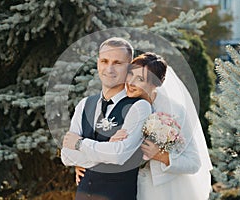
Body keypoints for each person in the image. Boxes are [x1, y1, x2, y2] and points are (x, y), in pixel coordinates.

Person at [74, 52, 213, 199]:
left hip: (163, 190)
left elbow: (194, 163)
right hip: (124, 188)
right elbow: (96, 138)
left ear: (156, 84)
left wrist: (161, 156)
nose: (131, 83)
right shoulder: (118, 102)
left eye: (140, 79)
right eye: (130, 75)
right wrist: (83, 162)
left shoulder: (174, 112)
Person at [61, 37, 151, 200]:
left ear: (129, 68)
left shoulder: (139, 107)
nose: (109, 69)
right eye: (104, 61)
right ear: (98, 63)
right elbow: (66, 155)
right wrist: (105, 150)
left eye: (117, 63)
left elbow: (119, 156)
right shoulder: (84, 104)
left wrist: (79, 144)